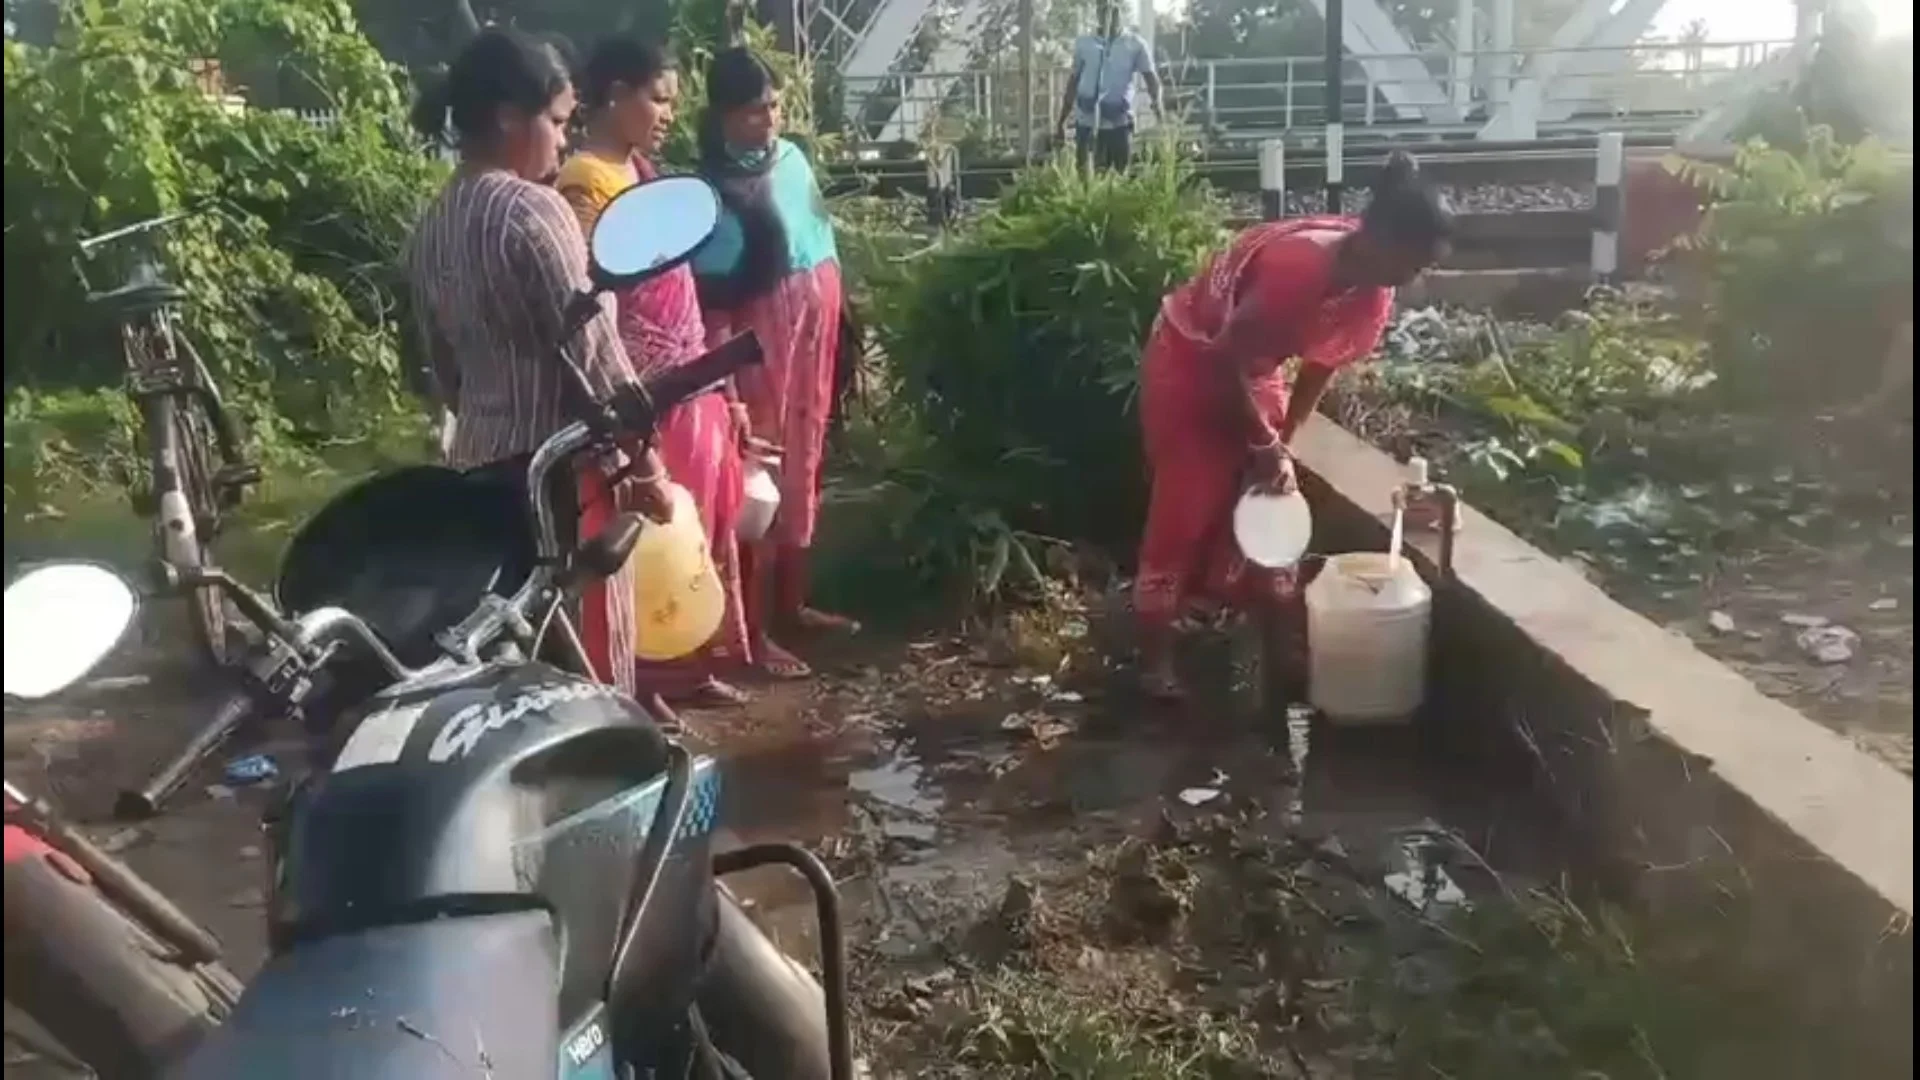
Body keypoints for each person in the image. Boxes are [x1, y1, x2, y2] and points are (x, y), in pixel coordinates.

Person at [404, 29, 669, 699]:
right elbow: (595, 350)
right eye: (555, 122)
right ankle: (609, 761)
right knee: (584, 643)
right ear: (506, 118)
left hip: (479, 468)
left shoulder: (432, 225)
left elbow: (442, 368)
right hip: (561, 472)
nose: (561, 140)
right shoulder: (533, 209)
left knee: (515, 645)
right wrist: (647, 466)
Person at [1132, 152, 1452, 700]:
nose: (1413, 277)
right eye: (1414, 262)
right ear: (1380, 238)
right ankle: (1153, 661)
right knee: (1187, 506)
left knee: (1274, 507)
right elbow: (1227, 356)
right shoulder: (1297, 270)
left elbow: (1318, 366)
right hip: (1191, 360)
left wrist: (1285, 442)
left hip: (1252, 367)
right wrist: (1262, 440)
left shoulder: (1371, 294)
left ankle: (1282, 651)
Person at [554, 37, 757, 707]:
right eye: (658, 98)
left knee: (696, 532)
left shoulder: (644, 174)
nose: (669, 113)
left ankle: (695, 664)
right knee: (652, 538)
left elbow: (681, 290)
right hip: (644, 395)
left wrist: (723, 388)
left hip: (692, 379)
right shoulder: (585, 182)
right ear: (615, 95)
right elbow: (597, 305)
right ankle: (649, 682)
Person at [691, 46, 856, 680]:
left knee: (804, 464)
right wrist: (726, 386)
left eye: (776, 106)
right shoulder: (713, 193)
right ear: (725, 115)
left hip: (811, 341)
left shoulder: (792, 161)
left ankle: (795, 603)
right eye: (756, 111)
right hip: (758, 351)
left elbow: (818, 240)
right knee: (756, 481)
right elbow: (716, 304)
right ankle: (752, 635)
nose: (771, 120)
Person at [1055, 0, 1163, 173]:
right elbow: (1074, 80)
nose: (1110, 13)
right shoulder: (1085, 43)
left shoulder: (1134, 44)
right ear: (1098, 14)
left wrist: (1158, 109)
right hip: (1087, 121)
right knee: (1086, 173)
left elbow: (1150, 77)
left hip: (1119, 122)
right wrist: (1062, 120)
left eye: (1115, 8)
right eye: (1104, 9)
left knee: (1119, 175)